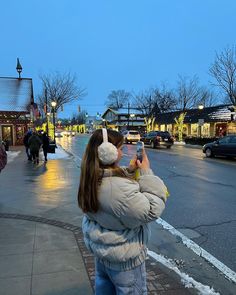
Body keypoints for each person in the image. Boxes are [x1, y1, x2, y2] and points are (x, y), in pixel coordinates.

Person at [78, 129, 168, 294]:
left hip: (103, 256)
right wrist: (146, 173)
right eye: (119, 148)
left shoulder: (90, 179)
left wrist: (130, 170)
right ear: (108, 152)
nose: (122, 152)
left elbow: (112, 187)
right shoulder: (118, 189)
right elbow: (151, 210)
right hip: (124, 263)